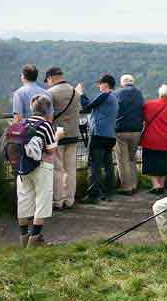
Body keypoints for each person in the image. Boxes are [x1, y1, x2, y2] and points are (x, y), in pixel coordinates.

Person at [16, 95, 62, 247]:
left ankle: (23, 237)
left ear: (32, 108)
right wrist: (58, 136)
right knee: (42, 202)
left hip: (23, 167)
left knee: (24, 200)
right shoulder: (45, 125)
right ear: (48, 110)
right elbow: (51, 150)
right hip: (41, 167)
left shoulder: (23, 122)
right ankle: (35, 240)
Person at [44, 67, 81, 210]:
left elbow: (48, 115)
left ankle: (58, 200)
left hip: (57, 135)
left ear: (51, 78)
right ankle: (70, 199)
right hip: (73, 134)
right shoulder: (75, 92)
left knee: (57, 169)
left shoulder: (50, 93)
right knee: (70, 169)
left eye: (47, 80)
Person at [78, 74, 119, 204]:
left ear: (105, 85)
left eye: (100, 84)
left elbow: (87, 106)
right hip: (110, 136)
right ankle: (108, 193)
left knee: (94, 165)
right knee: (108, 165)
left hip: (98, 135)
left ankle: (93, 195)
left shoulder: (105, 95)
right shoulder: (114, 97)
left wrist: (80, 93)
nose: (98, 86)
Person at [141, 84, 167, 195]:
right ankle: (161, 184)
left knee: (151, 162)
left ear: (159, 93)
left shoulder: (148, 105)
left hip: (151, 138)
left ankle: (156, 184)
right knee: (164, 163)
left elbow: (144, 118)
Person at [114, 74, 145, 195]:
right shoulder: (139, 93)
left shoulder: (118, 93)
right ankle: (134, 184)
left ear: (123, 83)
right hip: (137, 130)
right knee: (132, 158)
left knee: (122, 160)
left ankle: (126, 186)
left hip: (121, 129)